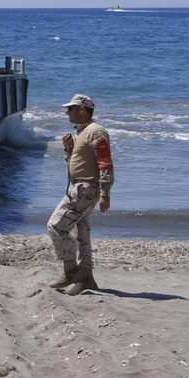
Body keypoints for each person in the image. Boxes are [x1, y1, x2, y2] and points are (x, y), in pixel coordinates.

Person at [47, 94, 114, 296]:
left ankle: (70, 270)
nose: (67, 112)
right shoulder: (82, 133)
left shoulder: (96, 132)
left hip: (85, 189)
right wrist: (68, 149)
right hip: (79, 187)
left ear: (82, 110)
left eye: (70, 109)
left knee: (56, 226)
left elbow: (105, 162)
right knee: (81, 232)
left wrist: (105, 192)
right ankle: (87, 278)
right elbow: (78, 163)